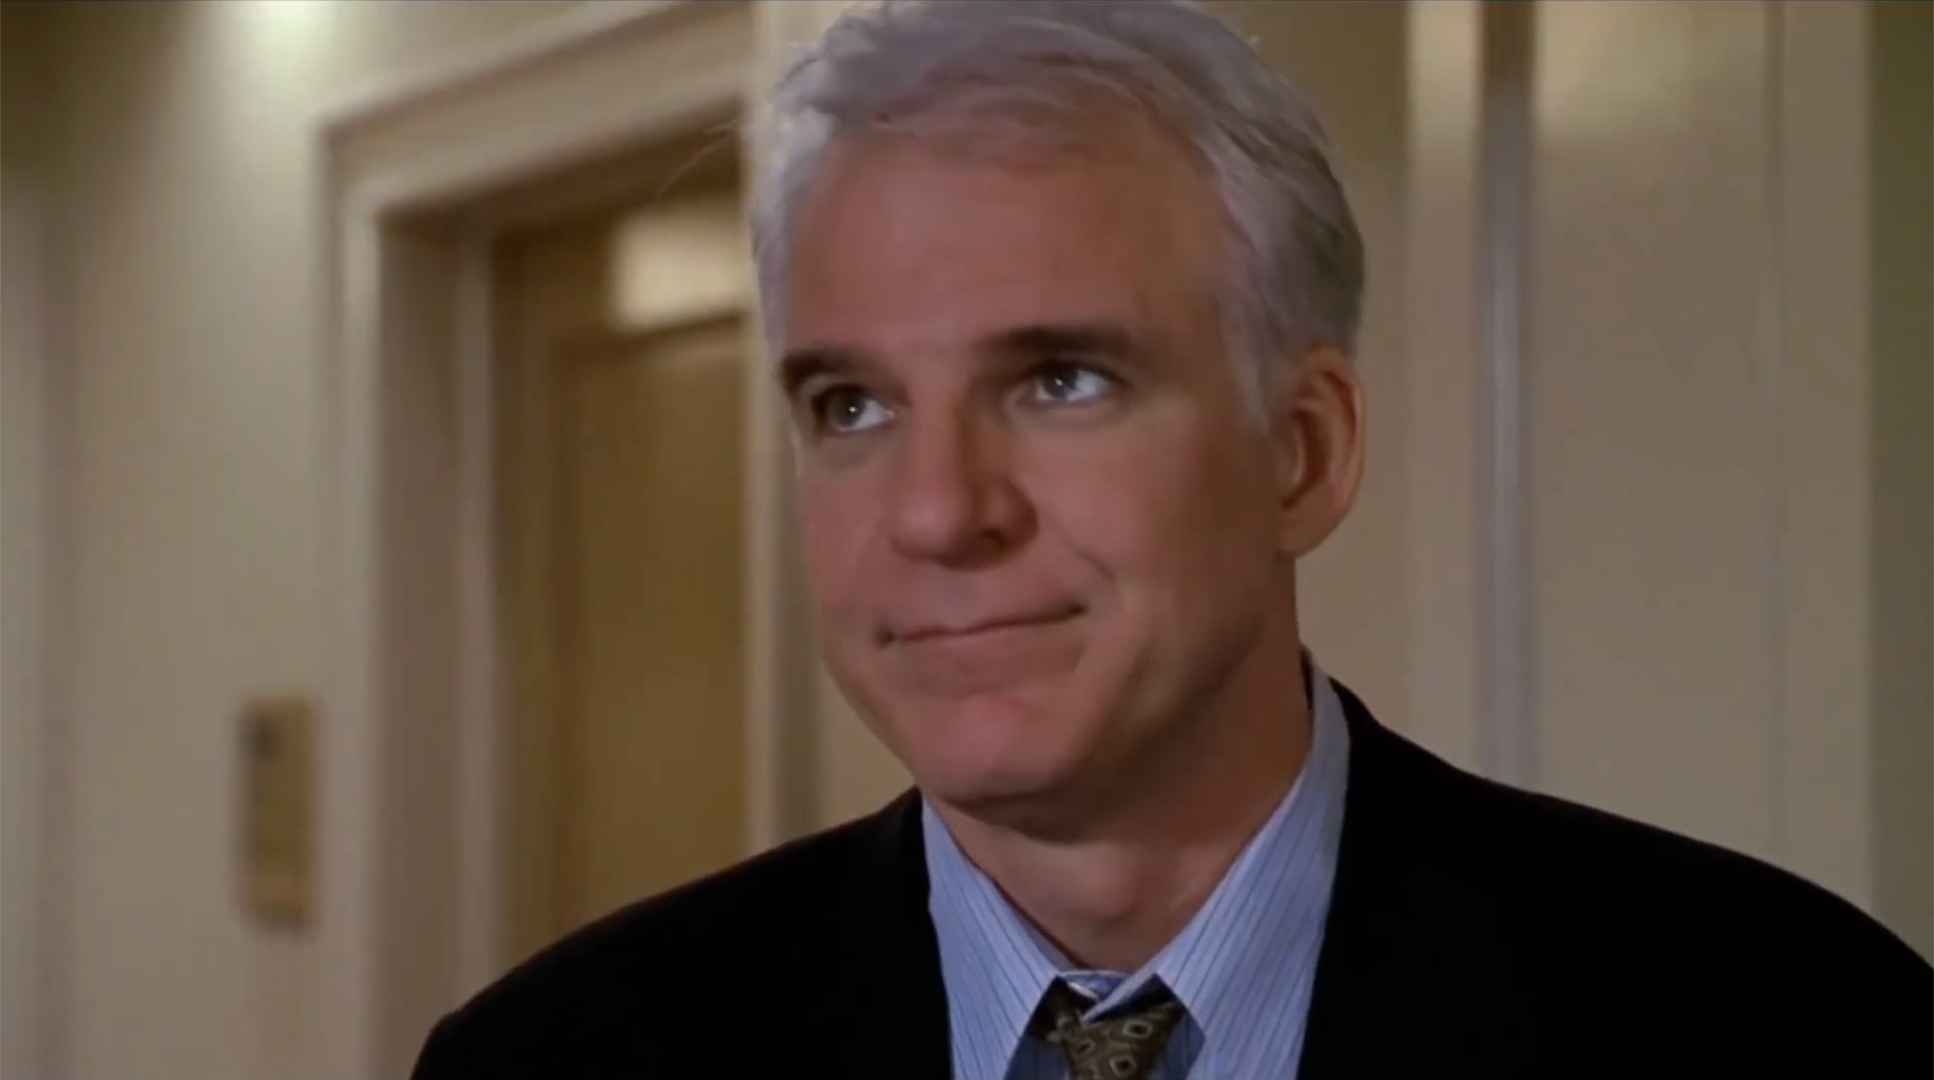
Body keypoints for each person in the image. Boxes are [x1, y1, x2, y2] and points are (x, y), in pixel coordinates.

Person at [411, 2, 1931, 1077]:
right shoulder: (565, 1054)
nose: (938, 512)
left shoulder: (1774, 1020)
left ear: (1304, 451)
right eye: (853, 406)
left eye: (1059, 380)